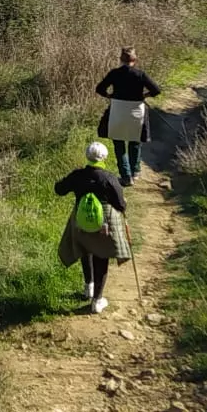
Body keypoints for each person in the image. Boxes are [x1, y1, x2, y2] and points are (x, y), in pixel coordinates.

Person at [56, 140, 131, 313]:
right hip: (104, 223)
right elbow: (120, 205)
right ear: (104, 158)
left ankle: (88, 287)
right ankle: (97, 300)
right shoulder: (109, 178)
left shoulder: (77, 175)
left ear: (87, 156)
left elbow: (59, 189)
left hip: (81, 220)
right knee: (101, 256)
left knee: (85, 249)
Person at [95, 47, 161, 184]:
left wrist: (110, 96)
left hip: (117, 111)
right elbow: (156, 90)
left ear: (121, 60)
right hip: (136, 111)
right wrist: (144, 96)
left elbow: (100, 89)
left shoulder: (114, 73)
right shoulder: (140, 74)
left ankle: (125, 176)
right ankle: (135, 171)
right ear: (135, 60)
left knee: (118, 143)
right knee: (135, 141)